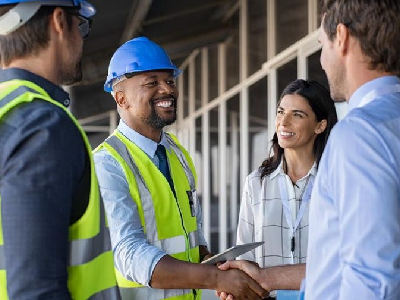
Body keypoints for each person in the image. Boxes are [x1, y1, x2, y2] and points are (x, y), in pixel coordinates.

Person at [93, 36, 268, 300]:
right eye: (152, 82)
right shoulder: (107, 163)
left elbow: (190, 234)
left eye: (170, 81)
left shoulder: (175, 151)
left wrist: (215, 263)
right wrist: (217, 278)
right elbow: (129, 253)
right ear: (121, 99)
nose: (167, 90)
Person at [0, 1, 120, 299]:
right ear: (58, 21)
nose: (81, 40)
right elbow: (35, 291)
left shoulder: (8, 110)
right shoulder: (42, 126)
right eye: (80, 26)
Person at [304, 0, 400, 299]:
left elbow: (372, 278)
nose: (321, 60)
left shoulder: (358, 133)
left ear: (342, 38)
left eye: (322, 44)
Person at [218, 79, 337, 299]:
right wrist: (234, 284)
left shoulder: (335, 181)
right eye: (281, 112)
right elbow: (245, 254)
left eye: (297, 115)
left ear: (320, 125)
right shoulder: (256, 183)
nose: (284, 122)